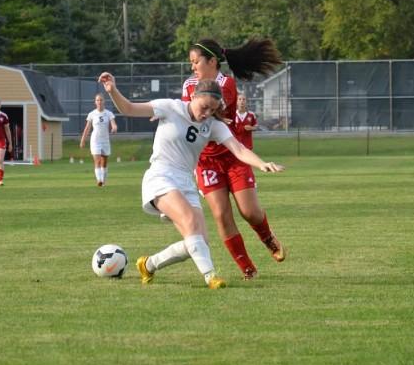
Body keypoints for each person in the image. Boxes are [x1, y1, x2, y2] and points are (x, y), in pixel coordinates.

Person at [98, 71, 284, 289]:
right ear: (193, 96)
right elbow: (128, 108)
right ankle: (210, 276)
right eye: (204, 107)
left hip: (186, 182)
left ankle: (148, 264)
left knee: (199, 242)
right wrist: (112, 91)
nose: (207, 113)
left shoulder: (214, 125)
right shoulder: (170, 107)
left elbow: (238, 149)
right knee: (189, 221)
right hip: (161, 175)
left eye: (213, 110)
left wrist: (261, 163)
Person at [182, 38, 284, 280]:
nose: (193, 67)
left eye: (196, 62)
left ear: (213, 61)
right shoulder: (188, 85)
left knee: (249, 212)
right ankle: (247, 268)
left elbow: (208, 114)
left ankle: (267, 237)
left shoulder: (225, 83)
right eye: (191, 63)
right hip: (206, 160)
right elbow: (192, 115)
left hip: (233, 155)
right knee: (221, 214)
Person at [80, 94, 118, 187]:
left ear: (104, 101)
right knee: (97, 161)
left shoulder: (108, 113)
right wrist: (83, 140)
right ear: (95, 102)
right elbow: (87, 128)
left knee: (104, 162)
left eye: (101, 100)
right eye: (97, 100)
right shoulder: (92, 114)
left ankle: (103, 181)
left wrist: (114, 128)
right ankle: (99, 181)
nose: (99, 102)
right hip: (95, 141)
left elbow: (114, 124)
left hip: (105, 140)